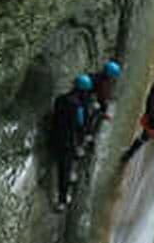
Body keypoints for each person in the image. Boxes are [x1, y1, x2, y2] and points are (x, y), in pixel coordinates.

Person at [51, 74, 93, 212]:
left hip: (55, 137)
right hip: (68, 141)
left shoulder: (60, 99)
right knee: (64, 170)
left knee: (61, 166)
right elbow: (80, 124)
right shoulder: (77, 106)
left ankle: (64, 193)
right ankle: (62, 200)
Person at [86, 60, 122, 139]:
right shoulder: (102, 82)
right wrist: (104, 112)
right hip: (88, 101)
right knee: (95, 110)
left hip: (88, 98)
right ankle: (88, 133)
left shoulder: (96, 76)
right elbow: (101, 97)